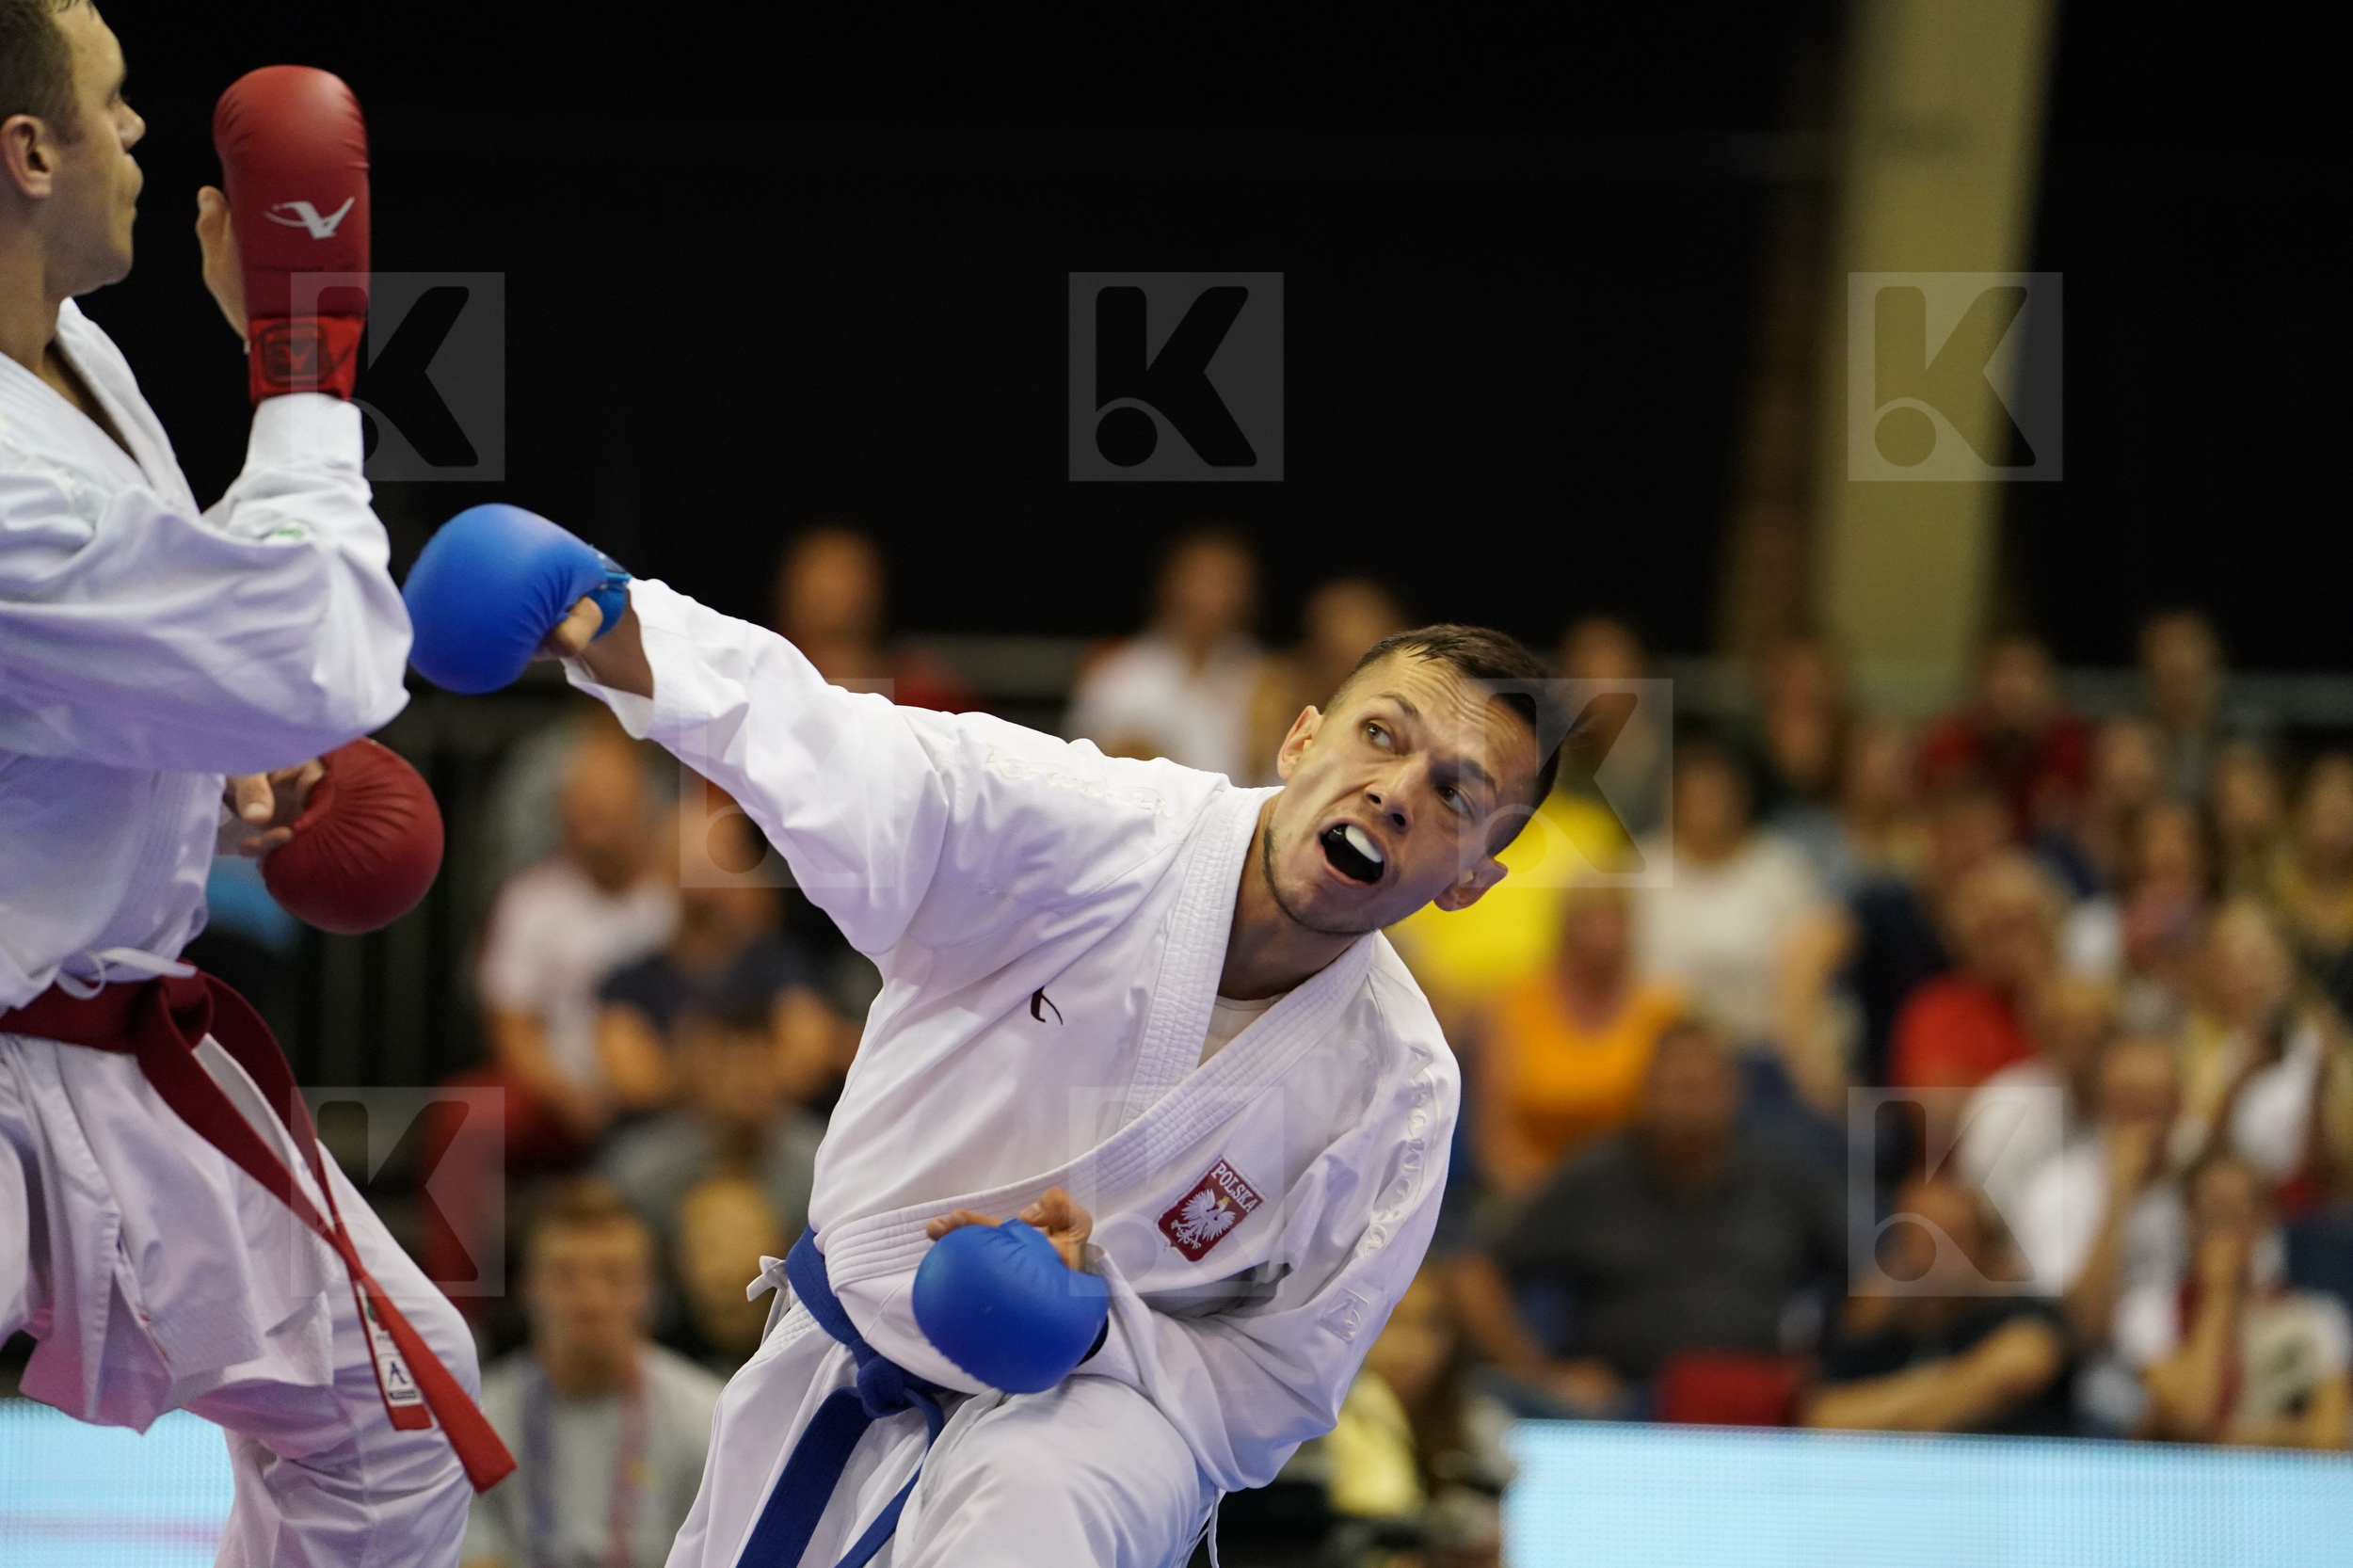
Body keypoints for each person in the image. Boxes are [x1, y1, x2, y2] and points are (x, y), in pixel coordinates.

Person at [410, 505, 1565, 1568]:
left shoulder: (1397, 1093)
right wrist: (615, 621)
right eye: (1381, 733)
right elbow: (836, 745)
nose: (1399, 788)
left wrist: (1092, 1321)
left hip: (1109, 1427)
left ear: (1472, 880)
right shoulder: (1086, 829)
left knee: (1031, 1503)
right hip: (852, 1347)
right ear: (1303, 736)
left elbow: (1283, 1380)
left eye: (1459, 795)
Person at [0, 13, 492, 1562]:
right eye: (116, 101)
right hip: (31, 1047)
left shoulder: (78, 362)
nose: (146, 134)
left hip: (96, 1044)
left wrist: (205, 767)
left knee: (392, 1428)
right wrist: (303, 357)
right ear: (28, 152)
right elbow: (325, 653)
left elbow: (127, 656)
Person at [1452, 1022, 1843, 1414]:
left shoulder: (1783, 1179)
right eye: (1671, 1087)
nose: (1684, 1105)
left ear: (1734, 1091)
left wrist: (1823, 1366)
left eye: (1697, 1087)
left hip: (1759, 1406)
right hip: (1622, 1408)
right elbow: (1475, 1274)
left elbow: (1864, 1283)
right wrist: (1542, 1374)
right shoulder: (1595, 1178)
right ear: (1643, 1095)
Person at [462, 1180, 725, 1568]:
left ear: (649, 1292)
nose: (590, 1300)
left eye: (614, 1276)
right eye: (564, 1275)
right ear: (528, 1289)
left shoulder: (712, 1418)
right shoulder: (476, 1423)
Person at [474, 716, 677, 1150]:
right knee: (469, 1119)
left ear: (642, 805)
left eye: (606, 802)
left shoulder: (678, 895)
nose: (591, 816)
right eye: (581, 802)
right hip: (558, 1088)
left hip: (664, 1083)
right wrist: (567, 1094)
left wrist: (668, 1086)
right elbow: (511, 1025)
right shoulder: (528, 898)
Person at [598, 989, 827, 1357]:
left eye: (760, 1063)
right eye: (729, 1064)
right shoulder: (639, 1169)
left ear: (785, 1067)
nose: (747, 1081)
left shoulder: (826, 1163)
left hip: (801, 1347)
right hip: (665, 1349)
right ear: (695, 1071)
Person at [594, 802, 840, 1117]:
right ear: (659, 869)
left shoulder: (779, 964)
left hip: (770, 1135)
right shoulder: (628, 982)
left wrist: (699, 1068)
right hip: (667, 1141)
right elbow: (636, 1081)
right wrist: (746, 1073)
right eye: (687, 856)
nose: (701, 870)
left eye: (717, 856)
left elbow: (809, 1055)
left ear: (744, 868)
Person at [2008, 1034, 2187, 1431]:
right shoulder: (2052, 1192)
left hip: (2192, 1373)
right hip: (2097, 1390)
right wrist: (2118, 1198)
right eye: (2126, 1105)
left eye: (2153, 1105)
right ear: (2100, 1106)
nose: (2141, 1122)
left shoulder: (2201, 1185)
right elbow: (2081, 1327)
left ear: (2177, 1109)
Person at [1465, 879, 1685, 1198]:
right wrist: (1556, 1202)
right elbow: (1494, 1140)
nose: (1602, 937)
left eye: (1613, 923)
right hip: (1531, 1197)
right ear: (1564, 929)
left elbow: (1679, 1128)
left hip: (1644, 1197)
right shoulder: (1511, 1010)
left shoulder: (1666, 1012)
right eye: (1590, 922)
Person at [1804, 1176, 2070, 1435]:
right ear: (1897, 1248)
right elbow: (1823, 1417)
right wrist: (1951, 1397)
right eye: (1923, 1239)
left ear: (1985, 1247)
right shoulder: (1881, 1329)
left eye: (1956, 1237)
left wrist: (1884, 1414)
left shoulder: (2013, 1310)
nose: (1942, 1257)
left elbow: (2023, 1366)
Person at [2133, 1151, 2351, 1449]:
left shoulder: (2317, 1316)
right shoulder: (2151, 1311)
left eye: (2241, 1211)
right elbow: (2191, 1418)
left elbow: (2330, 1437)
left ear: (2264, 1220)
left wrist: (2231, 1439)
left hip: (2286, 1487)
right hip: (2185, 1488)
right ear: (2188, 1220)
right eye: (2215, 1211)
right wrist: (2218, 1297)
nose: (2228, 1228)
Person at [1064, 523, 1263, 777]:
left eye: (1227, 581)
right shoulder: (1119, 672)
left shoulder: (1268, 678)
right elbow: (1095, 772)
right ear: (1169, 584)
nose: (1210, 598)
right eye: (1199, 579)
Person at [1888, 852, 2064, 1094]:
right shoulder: (1937, 1011)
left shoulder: (2088, 995)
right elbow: (1936, 1115)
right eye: (1990, 933)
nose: (2010, 946)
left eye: (2020, 925)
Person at [768, 522, 971, 712]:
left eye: (847, 571)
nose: (832, 588)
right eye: (817, 572)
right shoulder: (760, 678)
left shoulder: (923, 691)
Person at [1915, 633, 2091, 844]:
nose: (2013, 689)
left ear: (2047, 686)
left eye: (2025, 675)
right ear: (1980, 684)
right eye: (2002, 674)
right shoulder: (1948, 745)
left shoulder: (2073, 748)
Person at [1241, 576, 1409, 788]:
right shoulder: (1268, 698)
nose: (1343, 673)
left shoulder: (1402, 737)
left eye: (1358, 663)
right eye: (1334, 656)